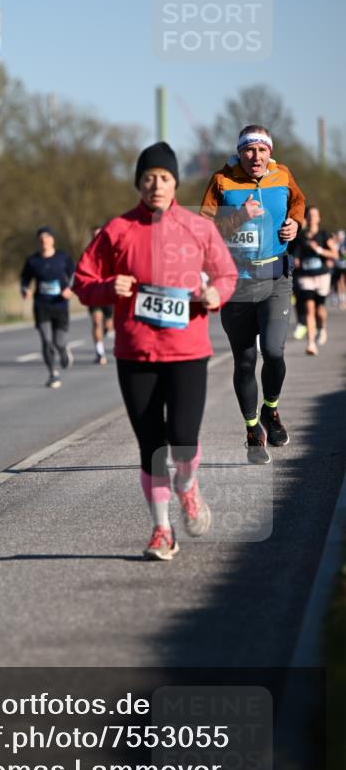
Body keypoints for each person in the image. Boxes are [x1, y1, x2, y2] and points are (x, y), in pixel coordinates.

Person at [74, 143, 237, 560]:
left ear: (175, 183)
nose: (156, 185)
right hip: (136, 353)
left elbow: (226, 274)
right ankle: (162, 530)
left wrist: (213, 293)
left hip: (186, 351)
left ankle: (188, 488)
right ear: (138, 184)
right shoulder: (118, 229)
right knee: (151, 445)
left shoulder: (198, 228)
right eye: (148, 178)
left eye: (164, 178)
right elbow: (83, 280)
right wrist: (108, 287)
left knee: (182, 440)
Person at [200, 125, 305, 464]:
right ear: (240, 152)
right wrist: (239, 216)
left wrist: (296, 223)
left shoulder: (282, 174)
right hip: (237, 283)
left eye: (261, 150)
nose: (255, 157)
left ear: (269, 152)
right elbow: (205, 231)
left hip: (275, 277)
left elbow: (299, 202)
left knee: (273, 351)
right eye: (249, 150)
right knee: (245, 360)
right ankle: (251, 428)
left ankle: (271, 411)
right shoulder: (222, 181)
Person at [21, 226, 75, 388]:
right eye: (41, 238)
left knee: (58, 342)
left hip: (60, 304)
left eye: (47, 237)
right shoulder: (33, 261)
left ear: (53, 240)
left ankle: (63, 350)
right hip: (41, 305)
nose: (44, 241)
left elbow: (74, 275)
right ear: (39, 241)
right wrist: (25, 289)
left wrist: (70, 289)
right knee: (46, 340)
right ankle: (53, 373)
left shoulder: (63, 258)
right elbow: (24, 278)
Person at [294, 206, 338, 355]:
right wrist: (296, 261)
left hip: (322, 276)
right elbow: (296, 256)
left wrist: (319, 250)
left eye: (315, 215)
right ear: (306, 218)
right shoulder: (300, 237)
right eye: (310, 215)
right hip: (305, 277)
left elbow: (335, 255)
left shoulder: (324, 234)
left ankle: (322, 327)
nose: (312, 218)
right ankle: (311, 343)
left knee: (320, 310)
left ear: (319, 218)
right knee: (309, 309)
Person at [88, 225, 115, 365]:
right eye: (94, 236)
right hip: (94, 293)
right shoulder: (88, 254)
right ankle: (100, 352)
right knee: (96, 321)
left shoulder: (111, 251)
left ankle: (107, 328)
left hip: (109, 292)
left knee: (109, 324)